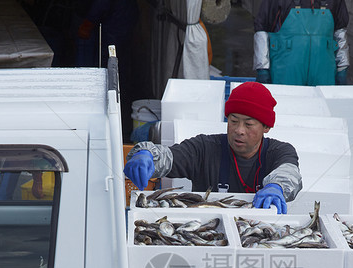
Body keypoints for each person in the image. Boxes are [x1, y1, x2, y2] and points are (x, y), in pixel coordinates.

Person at [123, 82, 302, 214]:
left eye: (249, 124)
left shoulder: (280, 151)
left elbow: (288, 174)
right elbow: (168, 156)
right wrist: (145, 154)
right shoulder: (204, 148)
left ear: (266, 127)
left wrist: (276, 187)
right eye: (233, 121)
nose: (239, 130)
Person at [253, 0, 350, 86]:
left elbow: (340, 32)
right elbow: (262, 28)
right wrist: (263, 68)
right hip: (285, 75)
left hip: (324, 75)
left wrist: (342, 67)